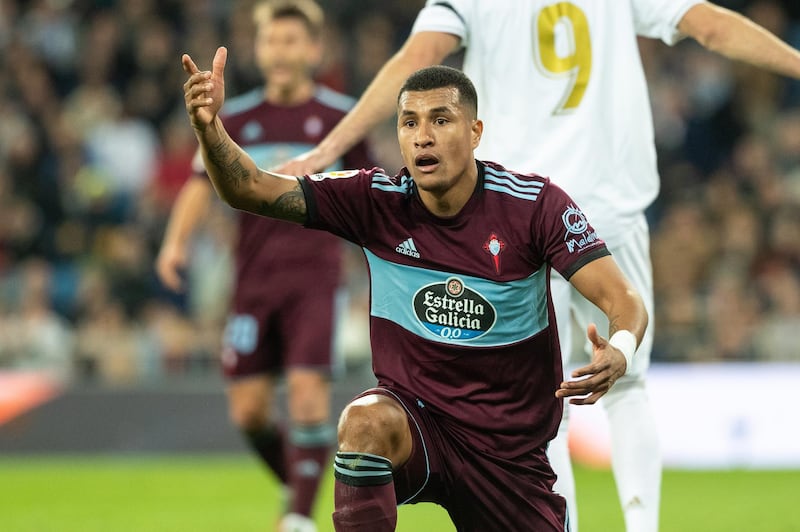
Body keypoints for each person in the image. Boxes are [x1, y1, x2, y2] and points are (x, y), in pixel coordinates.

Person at [275, 2, 800, 530]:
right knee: (628, 383)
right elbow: (708, 26)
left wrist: (329, 148)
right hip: (605, 202)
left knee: (548, 404)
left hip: (511, 212)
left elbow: (419, 56)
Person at [182, 44, 649, 531]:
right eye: (409, 123)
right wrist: (208, 128)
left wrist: (618, 351)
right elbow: (250, 188)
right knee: (364, 423)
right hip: (419, 424)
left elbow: (625, 302)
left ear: (475, 132)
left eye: (441, 120)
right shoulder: (374, 201)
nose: (423, 137)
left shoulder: (536, 207)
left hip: (507, 456)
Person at [155, 2, 372, 531]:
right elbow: (197, 184)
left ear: (314, 50)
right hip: (252, 280)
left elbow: (371, 199)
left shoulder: (342, 119)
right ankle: (298, 477)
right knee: (249, 412)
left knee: (306, 397)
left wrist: (379, 271)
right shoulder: (236, 116)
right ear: (259, 48)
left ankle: (297, 516)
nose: (281, 50)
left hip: (315, 280)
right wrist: (174, 244)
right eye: (272, 40)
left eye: (292, 40)